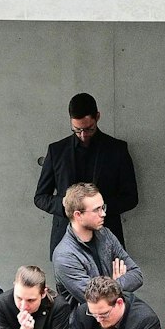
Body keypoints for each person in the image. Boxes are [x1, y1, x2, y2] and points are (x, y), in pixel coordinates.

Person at [36, 93, 141, 252]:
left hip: (107, 240)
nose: (83, 135)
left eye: (89, 129)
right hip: (66, 241)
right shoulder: (56, 151)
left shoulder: (117, 150)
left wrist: (100, 210)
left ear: (97, 117)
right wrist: (65, 205)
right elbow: (40, 197)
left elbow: (131, 197)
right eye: (77, 130)